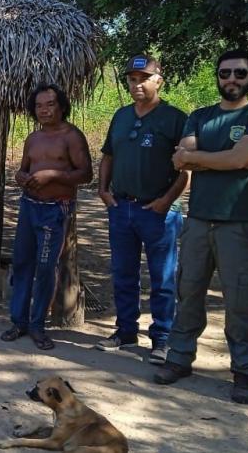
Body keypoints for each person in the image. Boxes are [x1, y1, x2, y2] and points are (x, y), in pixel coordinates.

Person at [155, 49, 248, 405]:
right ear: (218, 76)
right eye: (225, 73)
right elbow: (181, 160)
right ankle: (179, 358)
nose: (231, 79)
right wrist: (232, 160)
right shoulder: (200, 116)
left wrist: (211, 158)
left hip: (237, 224)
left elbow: (235, 157)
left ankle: (244, 371)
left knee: (239, 300)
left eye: (240, 73)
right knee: (189, 291)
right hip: (197, 221)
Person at [95, 55, 187, 364]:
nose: (137, 84)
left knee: (162, 277)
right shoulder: (121, 116)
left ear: (159, 80)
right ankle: (125, 331)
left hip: (158, 211)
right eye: (132, 79)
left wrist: (166, 201)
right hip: (122, 207)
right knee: (123, 273)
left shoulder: (175, 118)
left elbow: (187, 167)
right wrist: (103, 190)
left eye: (144, 78)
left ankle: (162, 338)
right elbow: (108, 155)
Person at [1, 83, 92, 350]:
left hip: (55, 209)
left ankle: (38, 324)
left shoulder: (72, 136)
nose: (44, 110)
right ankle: (19, 321)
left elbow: (86, 174)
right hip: (29, 206)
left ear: (61, 106)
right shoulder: (33, 138)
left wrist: (53, 175)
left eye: (50, 104)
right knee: (22, 264)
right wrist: (21, 177)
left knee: (45, 267)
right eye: (39, 106)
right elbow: (23, 169)